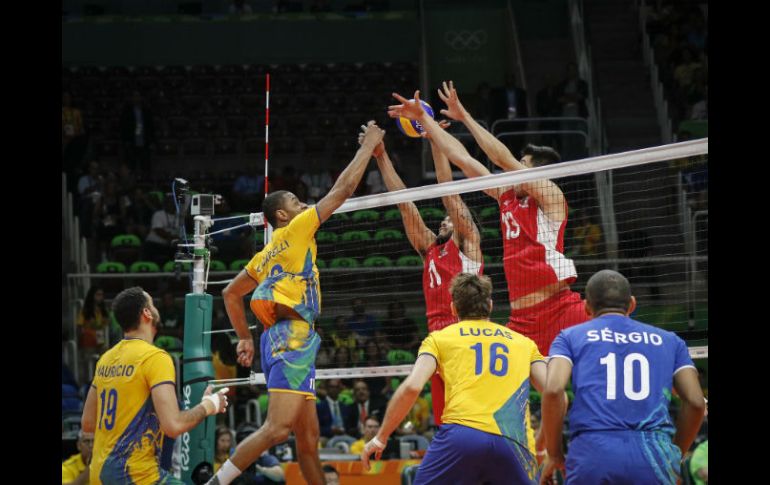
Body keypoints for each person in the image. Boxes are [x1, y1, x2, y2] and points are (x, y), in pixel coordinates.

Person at [209, 121, 385, 485]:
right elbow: (344, 189)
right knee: (276, 430)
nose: (304, 203)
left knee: (308, 441)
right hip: (292, 337)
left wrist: (244, 338)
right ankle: (217, 482)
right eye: (296, 202)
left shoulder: (263, 255)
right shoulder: (297, 228)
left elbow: (230, 293)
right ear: (283, 216)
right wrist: (368, 146)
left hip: (278, 337)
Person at [388, 84, 589, 356]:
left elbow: (500, 158)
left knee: (605, 350)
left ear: (539, 172)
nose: (515, 164)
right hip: (522, 320)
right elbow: (463, 159)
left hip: (561, 307)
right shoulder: (506, 195)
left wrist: (466, 118)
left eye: (523, 162)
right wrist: (425, 121)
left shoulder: (550, 196)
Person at [361, 273, 547, 484]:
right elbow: (554, 393)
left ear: (453, 308)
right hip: (514, 443)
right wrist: (542, 443)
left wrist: (381, 437)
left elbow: (412, 386)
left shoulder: (439, 339)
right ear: (491, 305)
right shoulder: (524, 343)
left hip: (462, 436)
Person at [539, 270, 706, 485]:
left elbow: (553, 390)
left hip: (593, 453)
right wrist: (675, 454)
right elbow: (695, 403)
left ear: (586, 307)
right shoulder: (671, 341)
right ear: (632, 304)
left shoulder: (569, 337)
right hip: (653, 453)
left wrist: (554, 453)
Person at [367, 122, 483, 426]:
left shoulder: (469, 245)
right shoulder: (430, 249)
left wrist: (433, 137)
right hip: (436, 338)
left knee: (470, 411)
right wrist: (381, 156)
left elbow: (448, 190)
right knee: (444, 418)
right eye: (444, 220)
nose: (446, 221)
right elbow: (404, 203)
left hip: (465, 332)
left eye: (450, 220)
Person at [82, 287, 229, 484]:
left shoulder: (105, 359)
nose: (155, 307)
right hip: (134, 474)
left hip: (99, 473)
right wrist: (209, 405)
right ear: (147, 313)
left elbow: (88, 423)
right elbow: (174, 426)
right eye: (151, 303)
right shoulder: (155, 358)